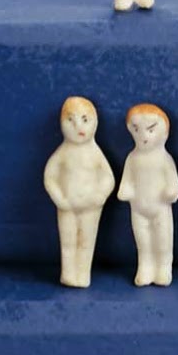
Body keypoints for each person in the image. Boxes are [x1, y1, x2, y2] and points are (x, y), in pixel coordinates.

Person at [43, 96, 115, 288]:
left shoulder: (95, 153)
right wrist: (59, 198)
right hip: (67, 206)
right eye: (70, 120)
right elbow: (49, 177)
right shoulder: (63, 153)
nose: (78, 127)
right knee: (67, 242)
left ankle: (83, 274)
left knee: (86, 242)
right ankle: (68, 273)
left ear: (95, 122)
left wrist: (100, 195)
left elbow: (108, 178)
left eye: (85, 119)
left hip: (91, 206)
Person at [118, 102, 178, 286]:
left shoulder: (165, 159)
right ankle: (145, 267)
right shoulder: (132, 158)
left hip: (160, 209)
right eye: (136, 130)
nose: (143, 136)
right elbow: (127, 180)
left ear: (164, 132)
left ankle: (163, 268)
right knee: (143, 241)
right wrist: (125, 189)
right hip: (138, 209)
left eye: (150, 129)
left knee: (163, 240)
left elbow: (174, 184)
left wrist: (172, 191)